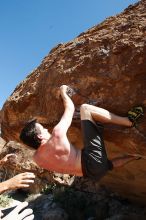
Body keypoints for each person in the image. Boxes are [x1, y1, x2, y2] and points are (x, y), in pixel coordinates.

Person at [19, 85, 144, 181]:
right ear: (40, 136)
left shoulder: (37, 159)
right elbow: (70, 108)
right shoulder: (56, 135)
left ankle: (135, 156)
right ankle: (128, 121)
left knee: (108, 165)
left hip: (89, 174)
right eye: (43, 129)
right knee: (85, 108)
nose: (47, 130)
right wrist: (63, 92)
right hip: (92, 161)